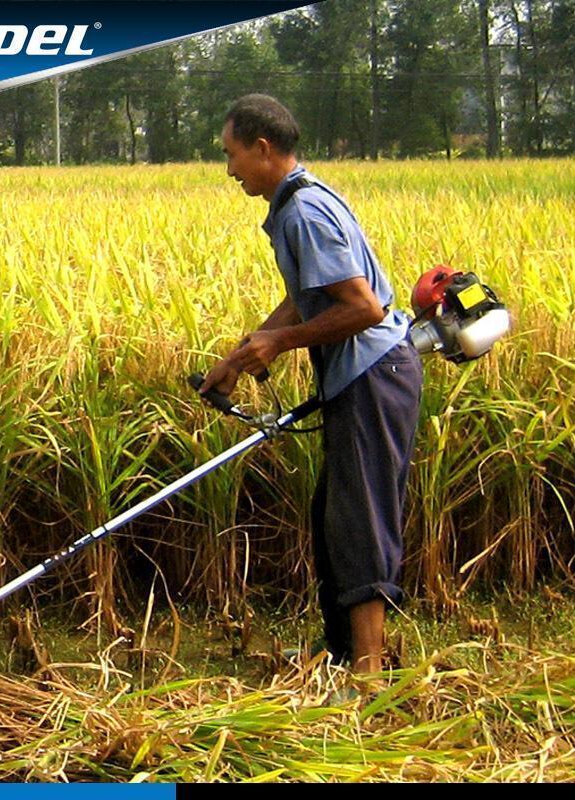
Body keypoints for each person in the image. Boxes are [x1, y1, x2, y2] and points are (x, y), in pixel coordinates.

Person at [200, 94, 423, 675]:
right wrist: (241, 353)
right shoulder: (301, 199)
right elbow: (310, 294)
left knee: (360, 517)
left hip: (375, 376)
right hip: (368, 376)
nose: (229, 170)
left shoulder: (303, 212)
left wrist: (279, 343)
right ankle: (341, 650)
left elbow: (363, 308)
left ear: (263, 148)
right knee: (335, 514)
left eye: (232, 155)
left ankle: (368, 674)